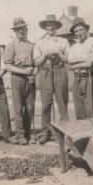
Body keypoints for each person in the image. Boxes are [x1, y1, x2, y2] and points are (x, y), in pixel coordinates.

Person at [34, 14, 70, 144]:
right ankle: (46, 132)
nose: (50, 27)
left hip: (60, 71)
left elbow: (68, 59)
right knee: (46, 104)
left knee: (62, 103)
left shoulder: (63, 41)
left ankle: (64, 133)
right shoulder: (40, 42)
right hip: (45, 72)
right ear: (45, 27)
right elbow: (37, 62)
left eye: (53, 25)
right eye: (48, 25)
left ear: (56, 27)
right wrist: (45, 55)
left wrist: (59, 54)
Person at [3, 17, 36, 145]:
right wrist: (23, 72)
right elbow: (7, 65)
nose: (20, 31)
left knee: (30, 107)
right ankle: (20, 134)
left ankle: (28, 133)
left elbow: (36, 63)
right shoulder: (11, 45)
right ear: (14, 31)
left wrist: (33, 73)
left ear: (26, 29)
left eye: (22, 28)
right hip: (17, 77)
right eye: (17, 29)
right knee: (18, 108)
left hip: (30, 77)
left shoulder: (32, 45)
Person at [67, 17, 93, 119]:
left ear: (86, 30)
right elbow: (69, 64)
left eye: (81, 30)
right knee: (78, 106)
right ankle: (82, 133)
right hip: (77, 78)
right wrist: (84, 61)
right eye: (76, 31)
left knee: (91, 107)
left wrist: (77, 61)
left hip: (89, 77)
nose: (79, 33)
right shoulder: (74, 46)